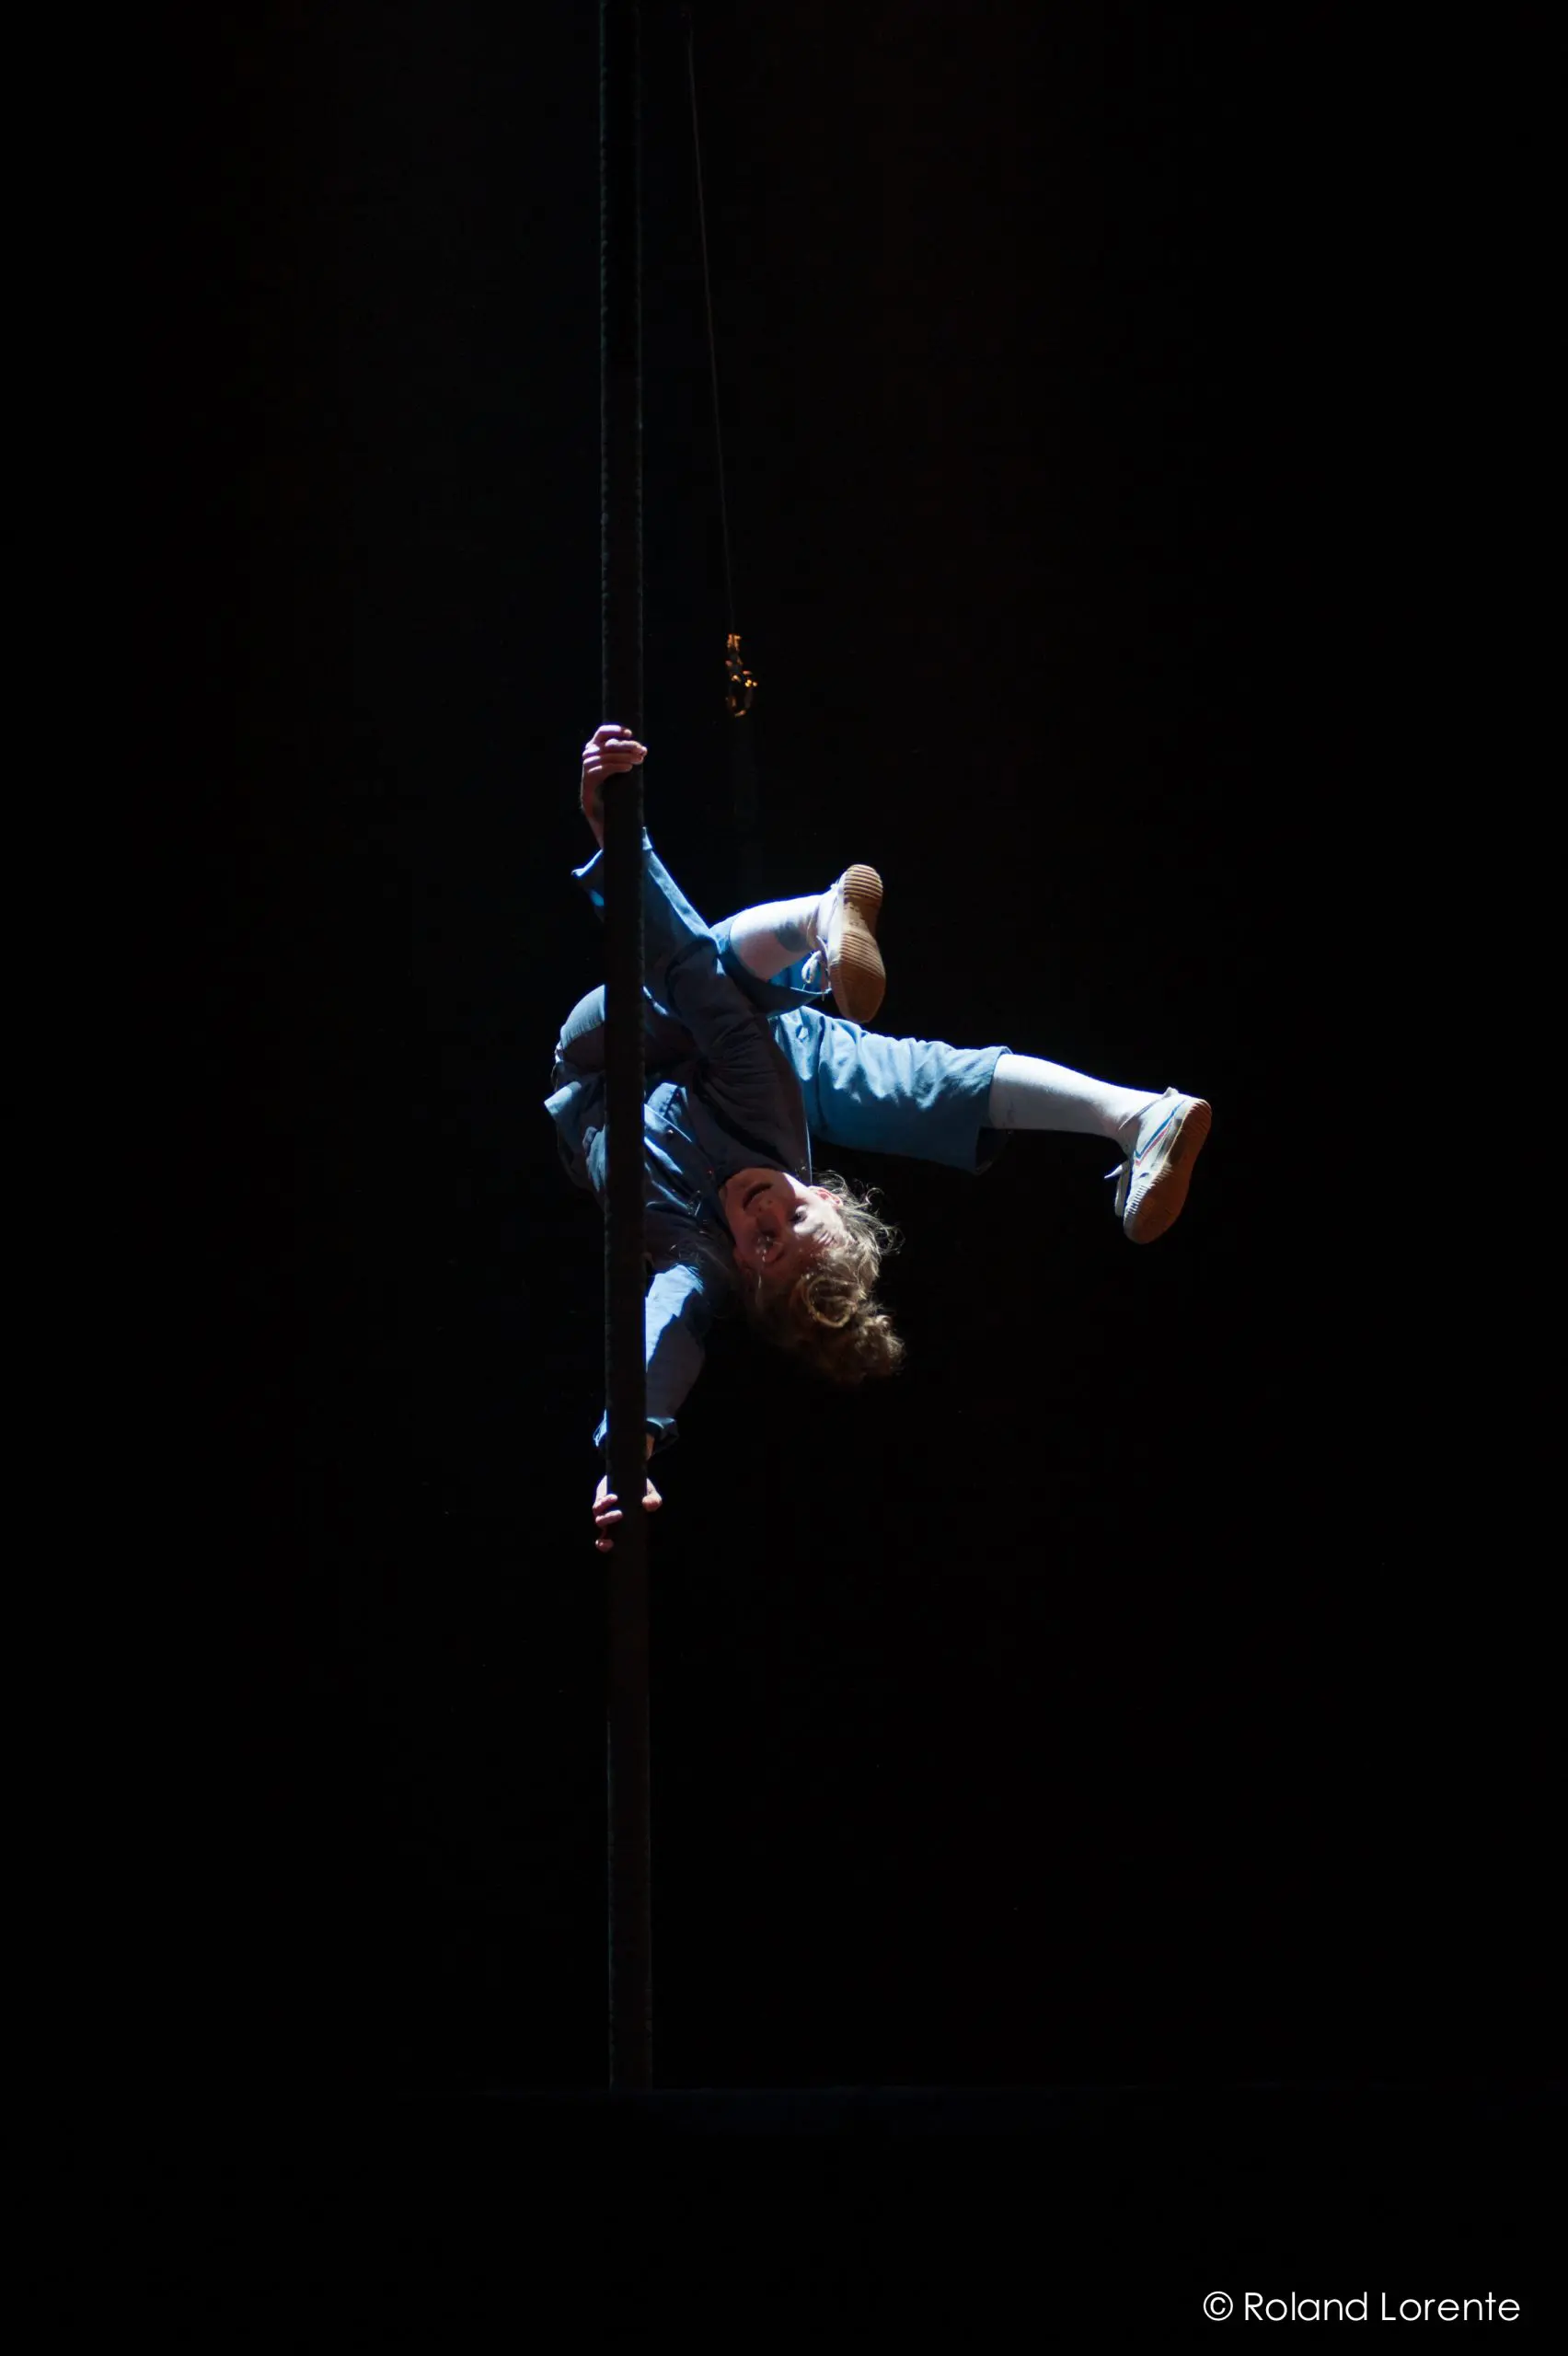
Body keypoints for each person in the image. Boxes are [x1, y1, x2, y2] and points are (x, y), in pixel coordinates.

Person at [548, 723, 1212, 1552]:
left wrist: (629, 1454)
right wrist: (619, 831)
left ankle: (1133, 1116)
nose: (768, 1222)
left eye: (765, 1248)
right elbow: (688, 967)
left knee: (911, 1081)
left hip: (599, 1073)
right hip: (713, 1041)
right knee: (713, 989)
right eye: (799, 1221)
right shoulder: (768, 1122)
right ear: (822, 1189)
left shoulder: (696, 1252)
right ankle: (818, 927)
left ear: (744, 1275)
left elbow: (668, 1333)